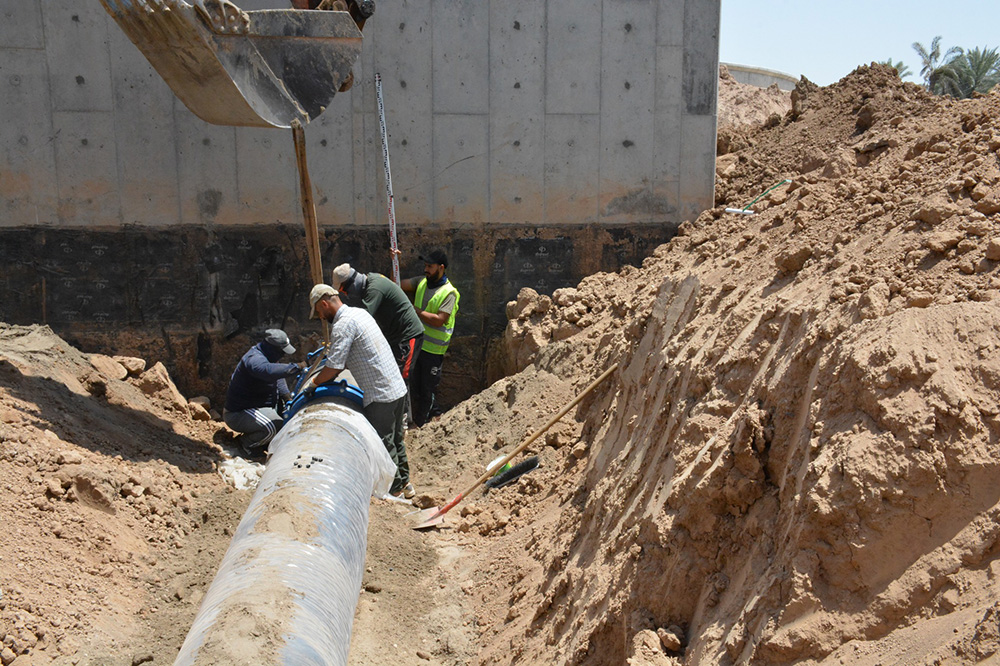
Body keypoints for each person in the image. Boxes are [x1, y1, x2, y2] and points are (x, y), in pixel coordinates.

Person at [307, 284, 414, 498]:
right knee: (396, 438)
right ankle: (405, 484)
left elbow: (335, 365)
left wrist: (314, 384)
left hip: (379, 394)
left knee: (383, 444)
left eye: (319, 312)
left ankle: (393, 491)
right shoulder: (360, 313)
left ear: (324, 304)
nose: (321, 317)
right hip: (396, 388)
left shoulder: (343, 324)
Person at [332, 263, 423, 396]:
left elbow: (362, 321)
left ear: (353, 283)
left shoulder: (374, 290)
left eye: (344, 290)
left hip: (407, 336)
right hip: (394, 336)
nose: (345, 294)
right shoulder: (370, 282)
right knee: (390, 373)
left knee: (401, 377)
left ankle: (402, 414)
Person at [400, 249, 460, 427]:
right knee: (416, 386)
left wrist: (414, 311)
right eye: (425, 266)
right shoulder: (421, 282)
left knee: (427, 389)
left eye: (430, 266)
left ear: (441, 268)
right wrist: (395, 261)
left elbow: (440, 320)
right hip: (417, 344)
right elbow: (397, 284)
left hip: (434, 350)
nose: (426, 269)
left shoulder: (449, 293)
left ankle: (420, 424)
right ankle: (435, 413)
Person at [223, 329, 304, 458]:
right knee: (274, 426)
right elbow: (267, 371)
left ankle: (262, 439)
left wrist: (287, 398)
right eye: (281, 351)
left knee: (286, 421)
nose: (283, 355)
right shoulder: (254, 359)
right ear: (272, 348)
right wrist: (297, 367)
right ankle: (245, 444)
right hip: (238, 414)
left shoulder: (269, 355)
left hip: (259, 409)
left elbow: (278, 378)